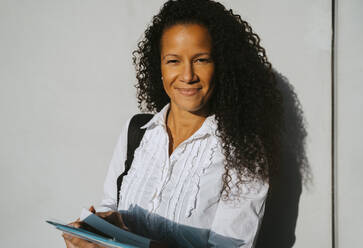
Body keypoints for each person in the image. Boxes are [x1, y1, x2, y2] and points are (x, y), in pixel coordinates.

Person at [63, 0, 282, 247]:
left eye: (201, 59)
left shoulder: (243, 150)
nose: (187, 76)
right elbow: (110, 205)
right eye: (173, 61)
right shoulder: (137, 131)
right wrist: (95, 232)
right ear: (159, 67)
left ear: (222, 67)